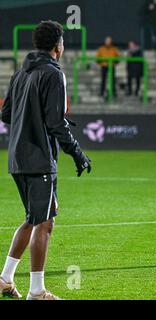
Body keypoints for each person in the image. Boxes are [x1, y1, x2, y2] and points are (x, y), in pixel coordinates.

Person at [0, 21, 92, 300]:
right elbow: (55, 122)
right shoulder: (53, 74)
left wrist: (33, 121)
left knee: (35, 217)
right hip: (39, 159)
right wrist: (77, 152)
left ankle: (4, 279)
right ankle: (37, 292)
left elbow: (6, 116)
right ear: (58, 46)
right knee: (45, 222)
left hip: (17, 157)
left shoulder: (21, 73)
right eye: (62, 42)